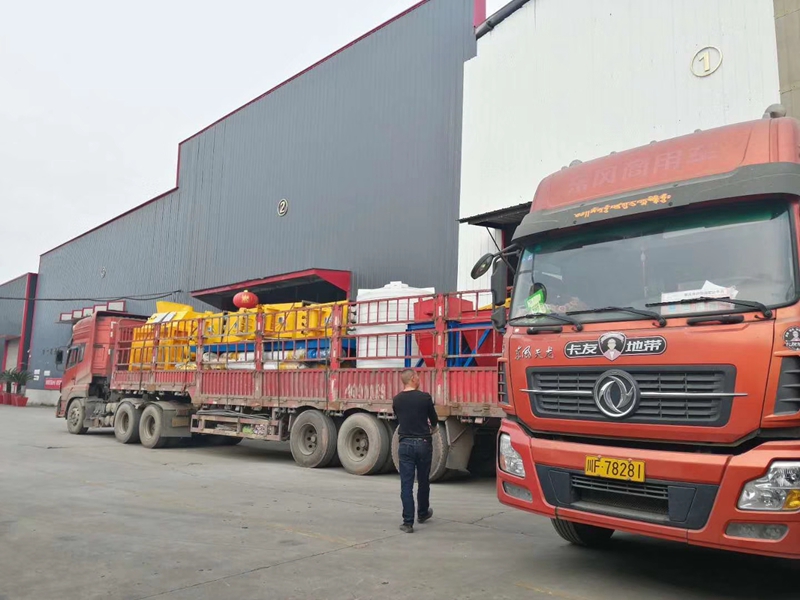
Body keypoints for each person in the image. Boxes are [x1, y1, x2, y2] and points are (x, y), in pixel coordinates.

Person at [392, 369, 438, 533]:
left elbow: (398, 418)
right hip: (423, 443)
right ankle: (423, 513)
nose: (419, 379)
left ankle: (408, 523)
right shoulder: (425, 397)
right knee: (423, 480)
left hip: (405, 444)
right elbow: (434, 419)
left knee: (406, 484)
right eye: (417, 376)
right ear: (412, 378)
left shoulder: (397, 399)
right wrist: (432, 429)